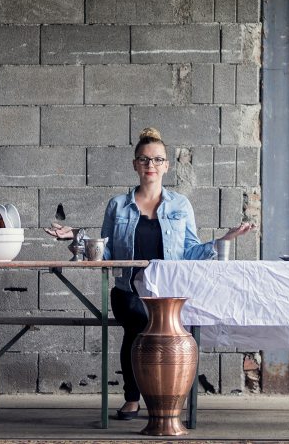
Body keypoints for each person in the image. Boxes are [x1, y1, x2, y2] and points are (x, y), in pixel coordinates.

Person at [45, 127, 254, 420]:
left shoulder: (181, 205)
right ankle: (137, 398)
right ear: (135, 164)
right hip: (129, 291)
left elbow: (189, 253)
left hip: (169, 293)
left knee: (158, 324)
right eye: (144, 159)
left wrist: (222, 241)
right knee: (142, 322)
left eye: (157, 160)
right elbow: (105, 253)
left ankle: (164, 396)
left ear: (167, 166)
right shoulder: (117, 206)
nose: (150, 165)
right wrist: (76, 237)